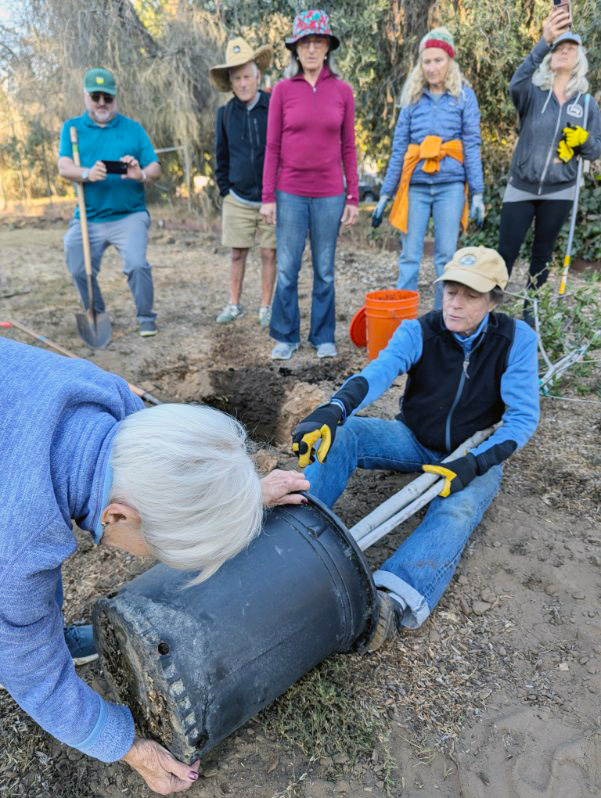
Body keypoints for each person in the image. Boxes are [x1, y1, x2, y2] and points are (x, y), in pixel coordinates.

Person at [0, 337, 308, 795]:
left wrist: (234, 496)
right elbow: (30, 670)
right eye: (155, 548)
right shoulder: (18, 540)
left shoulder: (108, 395)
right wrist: (126, 744)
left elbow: (174, 461)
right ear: (118, 516)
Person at [291, 247, 539, 649]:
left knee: (457, 508)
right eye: (450, 291)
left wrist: (474, 465)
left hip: (472, 455)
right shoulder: (419, 330)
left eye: (470, 296)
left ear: (494, 300)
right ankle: (294, 526)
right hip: (414, 439)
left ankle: (392, 598)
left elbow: (522, 420)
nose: (455, 304)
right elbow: (377, 373)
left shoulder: (515, 340)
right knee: (347, 433)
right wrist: (333, 409)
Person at [261, 9, 359, 361]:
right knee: (287, 268)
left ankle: (322, 336)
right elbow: (272, 146)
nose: (312, 49)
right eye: (305, 43)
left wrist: (353, 196)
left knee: (325, 270)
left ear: (327, 48)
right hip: (289, 192)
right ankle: (286, 336)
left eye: (318, 42)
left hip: (331, 193)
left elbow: (349, 146)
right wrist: (268, 196)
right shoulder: (283, 91)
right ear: (296, 50)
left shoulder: (343, 91)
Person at [497, 9, 601, 322]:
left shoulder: (586, 103)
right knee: (504, 256)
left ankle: (531, 319)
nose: (562, 51)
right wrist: (543, 41)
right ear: (549, 56)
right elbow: (515, 82)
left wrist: (583, 141)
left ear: (579, 59)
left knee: (541, 258)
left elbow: (596, 150)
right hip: (521, 187)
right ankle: (487, 317)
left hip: (560, 191)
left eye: (570, 48)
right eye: (558, 47)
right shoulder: (532, 92)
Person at [371, 28, 485, 310]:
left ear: (450, 61)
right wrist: (386, 194)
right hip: (416, 187)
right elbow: (400, 148)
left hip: (450, 186)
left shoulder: (464, 97)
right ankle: (404, 320)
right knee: (409, 255)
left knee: (446, 257)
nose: (432, 67)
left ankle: (442, 320)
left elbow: (471, 145)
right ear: (420, 64)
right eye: (427, 61)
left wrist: (479, 194)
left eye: (438, 60)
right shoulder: (412, 99)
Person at [59, 68, 161, 337]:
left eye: (108, 97)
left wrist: (140, 175)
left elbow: (155, 169)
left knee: (137, 264)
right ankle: (97, 312)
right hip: (89, 217)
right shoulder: (72, 129)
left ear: (115, 97)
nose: (102, 103)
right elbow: (64, 166)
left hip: (129, 215)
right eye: (96, 97)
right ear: (86, 96)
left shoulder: (133, 129)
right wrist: (87, 174)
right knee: (78, 263)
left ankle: (146, 317)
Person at [210, 37, 277, 328]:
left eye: (247, 76)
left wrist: (276, 191)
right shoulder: (225, 114)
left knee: (268, 252)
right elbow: (220, 155)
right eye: (237, 78)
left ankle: (266, 306)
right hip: (237, 197)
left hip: (270, 198)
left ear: (257, 76)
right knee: (237, 253)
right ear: (230, 82)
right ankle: (234, 303)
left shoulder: (273, 105)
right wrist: (225, 189)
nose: (243, 83)